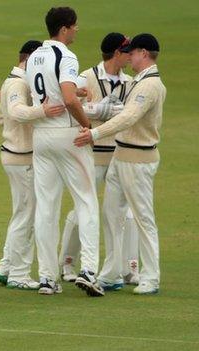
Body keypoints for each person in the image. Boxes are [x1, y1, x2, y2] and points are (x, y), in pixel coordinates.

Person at [74, 33, 166, 295]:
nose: (129, 57)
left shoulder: (149, 85)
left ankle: (151, 277)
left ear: (144, 53)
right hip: (121, 155)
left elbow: (128, 118)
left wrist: (94, 133)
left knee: (142, 218)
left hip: (138, 158)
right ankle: (111, 273)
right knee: (111, 214)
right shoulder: (140, 80)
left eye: (132, 52)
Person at [25, 7, 103, 297]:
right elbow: (68, 98)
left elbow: (49, 91)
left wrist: (74, 93)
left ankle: (46, 278)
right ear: (65, 29)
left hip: (41, 136)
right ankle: (89, 271)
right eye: (75, 26)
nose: (77, 30)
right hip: (68, 135)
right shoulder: (66, 56)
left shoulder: (34, 56)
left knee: (46, 207)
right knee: (86, 202)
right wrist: (88, 127)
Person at [58, 32, 141, 288]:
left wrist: (116, 112)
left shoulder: (130, 82)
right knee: (84, 208)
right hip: (90, 154)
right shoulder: (86, 76)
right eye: (127, 51)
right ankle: (67, 262)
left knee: (125, 213)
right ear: (117, 53)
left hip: (118, 153)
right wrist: (96, 110)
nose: (131, 56)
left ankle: (128, 268)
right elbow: (68, 105)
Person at [0, 40, 66, 290]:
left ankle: (6, 266)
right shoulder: (18, 82)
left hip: (17, 154)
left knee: (22, 212)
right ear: (31, 59)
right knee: (26, 215)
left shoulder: (14, 82)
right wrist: (43, 112)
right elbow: (14, 113)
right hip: (20, 156)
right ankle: (19, 274)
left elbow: (1, 117)